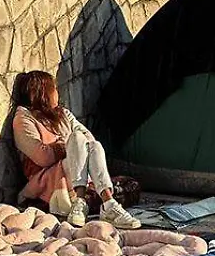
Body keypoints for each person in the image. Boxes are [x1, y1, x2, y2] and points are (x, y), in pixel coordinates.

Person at [11, 71, 140, 230]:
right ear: (43, 92)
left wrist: (67, 146)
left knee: (94, 146)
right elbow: (42, 157)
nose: (57, 93)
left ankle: (103, 203)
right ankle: (97, 202)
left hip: (75, 171)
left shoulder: (63, 114)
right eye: (54, 89)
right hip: (49, 178)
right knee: (77, 140)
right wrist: (69, 146)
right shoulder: (23, 119)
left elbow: (89, 138)